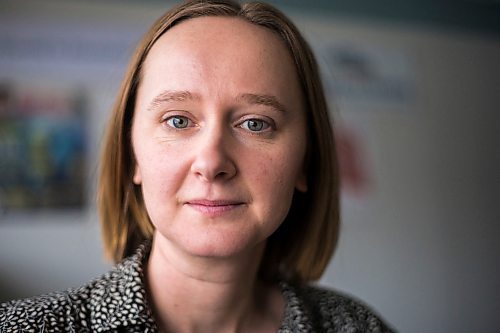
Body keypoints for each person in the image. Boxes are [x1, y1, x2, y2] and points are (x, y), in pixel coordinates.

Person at [0, 0, 394, 332]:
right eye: (178, 120)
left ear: (305, 162)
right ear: (132, 154)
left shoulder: (358, 326)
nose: (211, 163)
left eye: (255, 123)